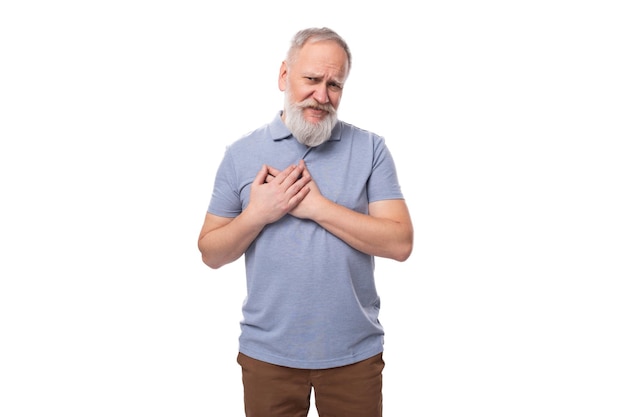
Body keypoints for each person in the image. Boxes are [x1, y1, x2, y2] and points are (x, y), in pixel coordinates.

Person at [197, 27, 413, 417]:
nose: (322, 96)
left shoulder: (371, 149)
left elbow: (399, 244)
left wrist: (316, 207)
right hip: (268, 356)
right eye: (311, 79)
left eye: (335, 84)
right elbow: (210, 253)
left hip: (354, 354)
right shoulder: (240, 154)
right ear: (284, 76)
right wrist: (259, 213)